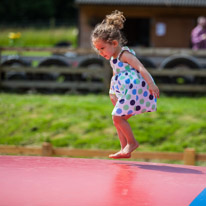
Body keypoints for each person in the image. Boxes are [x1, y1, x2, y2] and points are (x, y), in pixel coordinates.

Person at [91, 10, 159, 159]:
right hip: (127, 91)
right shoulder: (113, 58)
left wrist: (151, 84)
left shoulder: (124, 55)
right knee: (118, 119)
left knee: (117, 117)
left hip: (136, 90)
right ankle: (124, 149)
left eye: (102, 48)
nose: (100, 52)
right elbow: (115, 75)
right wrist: (112, 91)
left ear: (114, 43)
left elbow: (141, 67)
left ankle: (132, 143)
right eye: (98, 49)